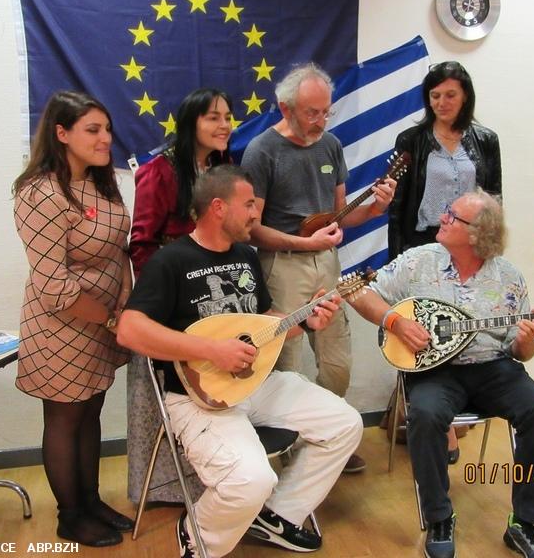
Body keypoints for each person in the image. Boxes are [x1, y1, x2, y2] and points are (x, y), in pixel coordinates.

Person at [116, 165, 363, 558]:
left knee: (346, 424)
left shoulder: (245, 256)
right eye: (248, 204)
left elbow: (262, 327)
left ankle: (277, 515)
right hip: (199, 397)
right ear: (218, 207)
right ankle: (197, 537)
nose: (255, 213)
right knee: (250, 480)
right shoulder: (171, 261)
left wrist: (307, 320)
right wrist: (211, 350)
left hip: (257, 384)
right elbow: (128, 330)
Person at [350, 190, 534, 558]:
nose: (441, 218)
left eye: (452, 216)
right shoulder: (418, 262)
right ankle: (439, 517)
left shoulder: (508, 277)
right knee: (426, 415)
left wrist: (529, 340)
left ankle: (526, 524)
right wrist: (395, 322)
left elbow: (519, 352)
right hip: (435, 371)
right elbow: (361, 293)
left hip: (494, 367)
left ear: (478, 233)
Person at [241, 63, 395, 473]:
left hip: (327, 263)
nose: (321, 121)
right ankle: (286, 449)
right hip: (282, 265)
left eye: (325, 112)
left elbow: (338, 217)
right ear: (284, 108)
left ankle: (327, 440)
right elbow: (250, 228)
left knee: (337, 362)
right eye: (312, 113)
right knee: (286, 362)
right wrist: (304, 242)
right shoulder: (261, 151)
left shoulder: (331, 146)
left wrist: (378, 207)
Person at [12, 90, 133, 547]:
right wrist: (108, 318)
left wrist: (122, 302)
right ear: (61, 134)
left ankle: (90, 499)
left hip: (104, 319)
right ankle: (70, 514)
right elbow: (54, 286)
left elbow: (119, 248)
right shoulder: (40, 192)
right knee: (65, 418)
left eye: (107, 129)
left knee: (92, 408)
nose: (106, 139)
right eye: (93, 130)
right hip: (62, 327)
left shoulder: (101, 183)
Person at [388, 60, 502, 463]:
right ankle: (444, 430)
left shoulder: (485, 140)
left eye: (450, 94)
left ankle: (438, 415)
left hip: (469, 249)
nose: (441, 102)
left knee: (465, 332)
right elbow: (397, 207)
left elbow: (494, 201)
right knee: (425, 335)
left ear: (465, 95)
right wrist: (398, 258)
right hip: (423, 245)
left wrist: (492, 254)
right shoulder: (412, 139)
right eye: (434, 96)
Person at [126, 88, 233, 505]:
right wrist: (169, 292)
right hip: (172, 303)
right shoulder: (160, 170)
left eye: (227, 116)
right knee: (171, 397)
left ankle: (218, 484)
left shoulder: (226, 168)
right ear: (191, 124)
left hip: (216, 298)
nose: (223, 124)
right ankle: (164, 491)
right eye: (212, 117)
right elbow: (141, 243)